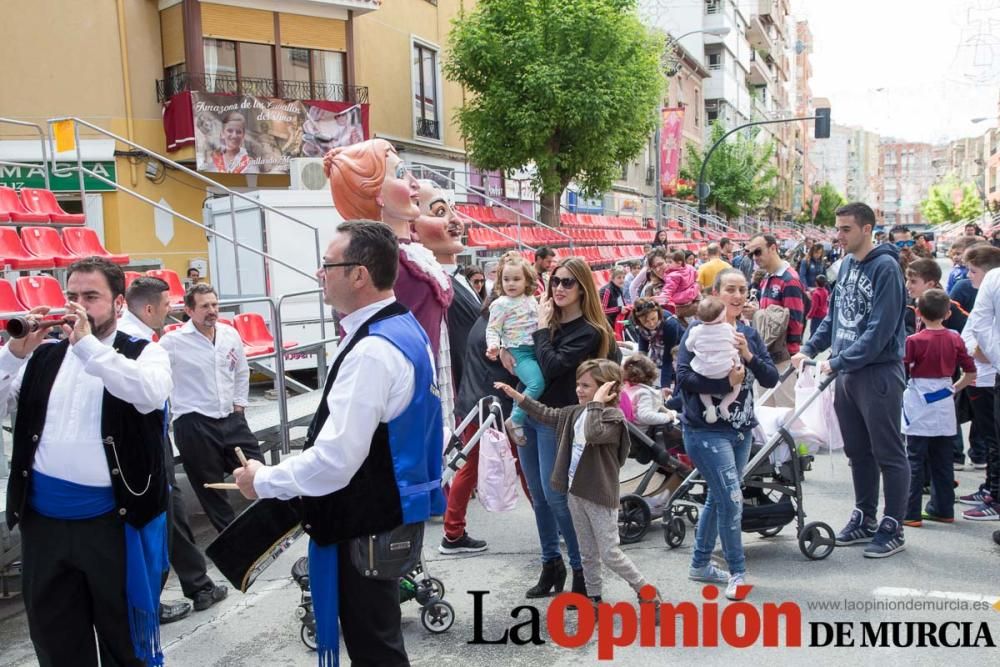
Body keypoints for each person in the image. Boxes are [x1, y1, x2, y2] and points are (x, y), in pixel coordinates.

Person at [234, 220, 445, 666]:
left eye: (327, 265)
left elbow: (336, 461)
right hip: (382, 515)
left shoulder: (372, 349)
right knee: (379, 643)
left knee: (375, 650)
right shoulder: (403, 328)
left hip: (363, 523)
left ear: (359, 274)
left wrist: (265, 478)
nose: (319, 274)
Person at [0, 257, 173, 666]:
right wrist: (13, 356)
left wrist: (89, 347)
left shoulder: (146, 353)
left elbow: (148, 393)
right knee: (57, 642)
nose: (77, 306)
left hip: (112, 524)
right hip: (45, 526)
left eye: (90, 297)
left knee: (124, 644)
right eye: (72, 296)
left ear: (117, 305)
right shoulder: (41, 358)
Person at [793, 202, 909, 559]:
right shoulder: (844, 266)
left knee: (888, 452)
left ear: (867, 229)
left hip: (877, 372)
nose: (838, 236)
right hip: (846, 372)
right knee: (858, 452)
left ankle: (893, 525)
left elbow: (881, 329)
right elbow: (834, 317)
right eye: (837, 229)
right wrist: (810, 346)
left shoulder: (886, 268)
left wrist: (840, 360)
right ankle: (864, 516)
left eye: (846, 229)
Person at [496, 360, 663, 608]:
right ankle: (594, 599)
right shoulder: (576, 411)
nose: (579, 390)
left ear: (606, 389)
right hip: (576, 493)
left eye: (586, 386)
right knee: (588, 554)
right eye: (578, 384)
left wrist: (596, 402)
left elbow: (594, 433)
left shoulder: (613, 418)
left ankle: (646, 591)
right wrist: (519, 397)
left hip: (599, 496)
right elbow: (548, 414)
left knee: (610, 553)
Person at [501, 257, 618, 599]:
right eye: (555, 281)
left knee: (557, 497)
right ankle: (551, 563)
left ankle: (582, 568)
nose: (560, 288)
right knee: (538, 496)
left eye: (568, 282)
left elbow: (551, 366)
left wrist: (539, 327)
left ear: (583, 288)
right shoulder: (547, 324)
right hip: (532, 414)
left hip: (561, 420)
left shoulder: (590, 331)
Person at [118, 277, 229, 623]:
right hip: (140, 440)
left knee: (169, 509)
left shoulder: (138, 336)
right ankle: (152, 598)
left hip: (148, 436)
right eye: (167, 306)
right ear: (150, 308)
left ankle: (195, 586)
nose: (171, 312)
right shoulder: (135, 342)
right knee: (161, 512)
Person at [676, 268, 778, 599]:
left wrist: (748, 354)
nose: (737, 296)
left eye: (742, 290)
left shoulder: (748, 332)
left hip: (741, 429)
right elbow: (683, 379)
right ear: (716, 294)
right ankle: (737, 572)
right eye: (730, 290)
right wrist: (724, 384)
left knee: (720, 499)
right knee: (732, 500)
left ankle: (700, 564)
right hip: (705, 431)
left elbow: (771, 378)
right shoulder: (697, 330)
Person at [159, 284, 265, 533]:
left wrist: (240, 405)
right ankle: (236, 547)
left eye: (215, 305)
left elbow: (241, 372)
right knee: (212, 490)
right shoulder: (172, 342)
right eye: (205, 306)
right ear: (189, 309)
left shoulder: (230, 335)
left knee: (259, 473)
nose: (212, 311)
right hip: (194, 423)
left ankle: (265, 533)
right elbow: (154, 376)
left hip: (231, 418)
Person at [901, 289, 976, 528]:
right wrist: (955, 387)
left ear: (919, 313)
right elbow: (970, 371)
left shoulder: (913, 340)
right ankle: (943, 508)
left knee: (914, 458)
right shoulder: (955, 338)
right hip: (944, 399)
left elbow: (903, 371)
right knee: (942, 459)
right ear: (948, 313)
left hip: (918, 400)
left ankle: (910, 512)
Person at [959, 244, 1000, 524]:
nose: (969, 277)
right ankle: (990, 488)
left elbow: (982, 333)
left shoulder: (993, 283)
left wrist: (979, 350)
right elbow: (973, 331)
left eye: (973, 272)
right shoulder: (987, 289)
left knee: (993, 441)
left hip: (987, 376)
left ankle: (995, 495)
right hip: (982, 375)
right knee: (989, 438)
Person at [486, 254, 545, 445]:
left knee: (528, 384)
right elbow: (493, 328)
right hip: (518, 352)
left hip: (535, 348)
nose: (510, 283)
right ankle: (515, 419)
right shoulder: (500, 304)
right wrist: (495, 346)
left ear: (527, 280)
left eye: (516, 279)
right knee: (536, 383)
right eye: (506, 279)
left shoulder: (531, 300)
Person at [746, 233, 806, 408]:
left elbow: (795, 323)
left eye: (758, 251)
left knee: (786, 415)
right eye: (751, 254)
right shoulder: (768, 278)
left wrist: (792, 356)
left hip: (782, 358)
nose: (755, 258)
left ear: (773, 248)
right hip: (767, 356)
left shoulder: (789, 280)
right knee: (768, 415)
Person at [684, 296, 741, 424]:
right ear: (722, 316)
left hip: (705, 370)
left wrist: (698, 349)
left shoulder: (696, 330)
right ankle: (724, 405)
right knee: (737, 385)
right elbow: (735, 343)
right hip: (726, 369)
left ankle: (709, 407)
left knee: (703, 390)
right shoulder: (727, 328)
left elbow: (688, 347)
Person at [621, 354, 678, 427]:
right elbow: (646, 416)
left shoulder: (627, 388)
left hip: (629, 428)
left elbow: (654, 404)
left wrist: (667, 411)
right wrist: (667, 417)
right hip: (641, 433)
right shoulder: (644, 393)